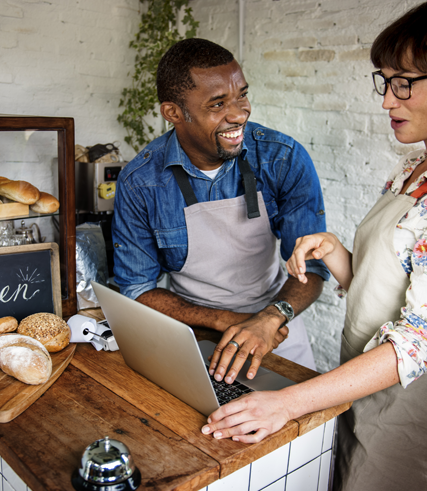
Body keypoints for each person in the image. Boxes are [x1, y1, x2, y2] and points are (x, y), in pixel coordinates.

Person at [200, 0, 427, 489]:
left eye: (404, 84)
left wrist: (290, 401)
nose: (387, 101)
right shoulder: (414, 166)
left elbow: (419, 340)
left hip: (419, 394)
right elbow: (387, 288)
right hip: (366, 376)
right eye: (385, 81)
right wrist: (335, 252)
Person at [112, 38, 330, 378]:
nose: (239, 113)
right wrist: (225, 320)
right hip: (192, 332)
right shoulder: (140, 182)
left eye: (241, 94)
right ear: (173, 113)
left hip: (276, 331)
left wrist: (270, 317)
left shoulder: (282, 158)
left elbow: (312, 268)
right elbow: (138, 289)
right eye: (217, 104)